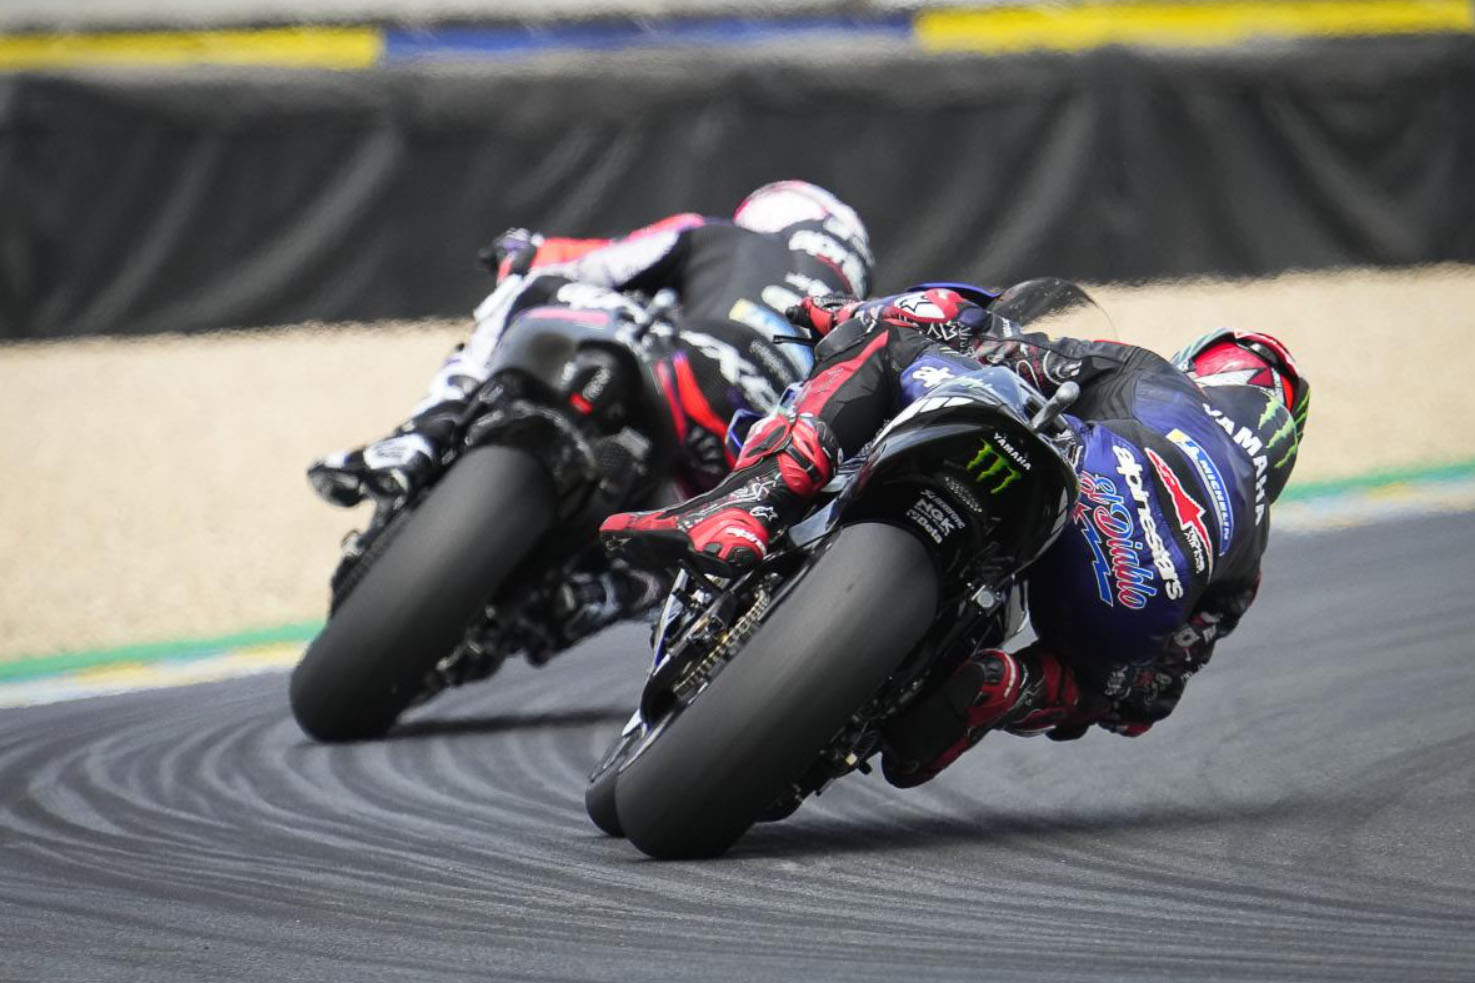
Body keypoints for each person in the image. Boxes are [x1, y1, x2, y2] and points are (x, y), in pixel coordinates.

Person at [600, 284, 1310, 786]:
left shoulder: (1154, 378)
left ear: (1204, 369)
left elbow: (1003, 347)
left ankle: (752, 503)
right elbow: (1147, 700)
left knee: (887, 343)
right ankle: (1002, 688)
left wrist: (844, 314)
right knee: (1104, 677)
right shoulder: (1248, 548)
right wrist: (1076, 690)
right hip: (1136, 596)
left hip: (1089, 483)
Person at [306, 180, 874, 660]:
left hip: (678, 368)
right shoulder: (856, 323)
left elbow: (586, 262)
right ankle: (606, 595)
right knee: (700, 541)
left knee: (537, 288)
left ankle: (422, 435)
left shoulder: (720, 235)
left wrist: (522, 251)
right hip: (739, 447)